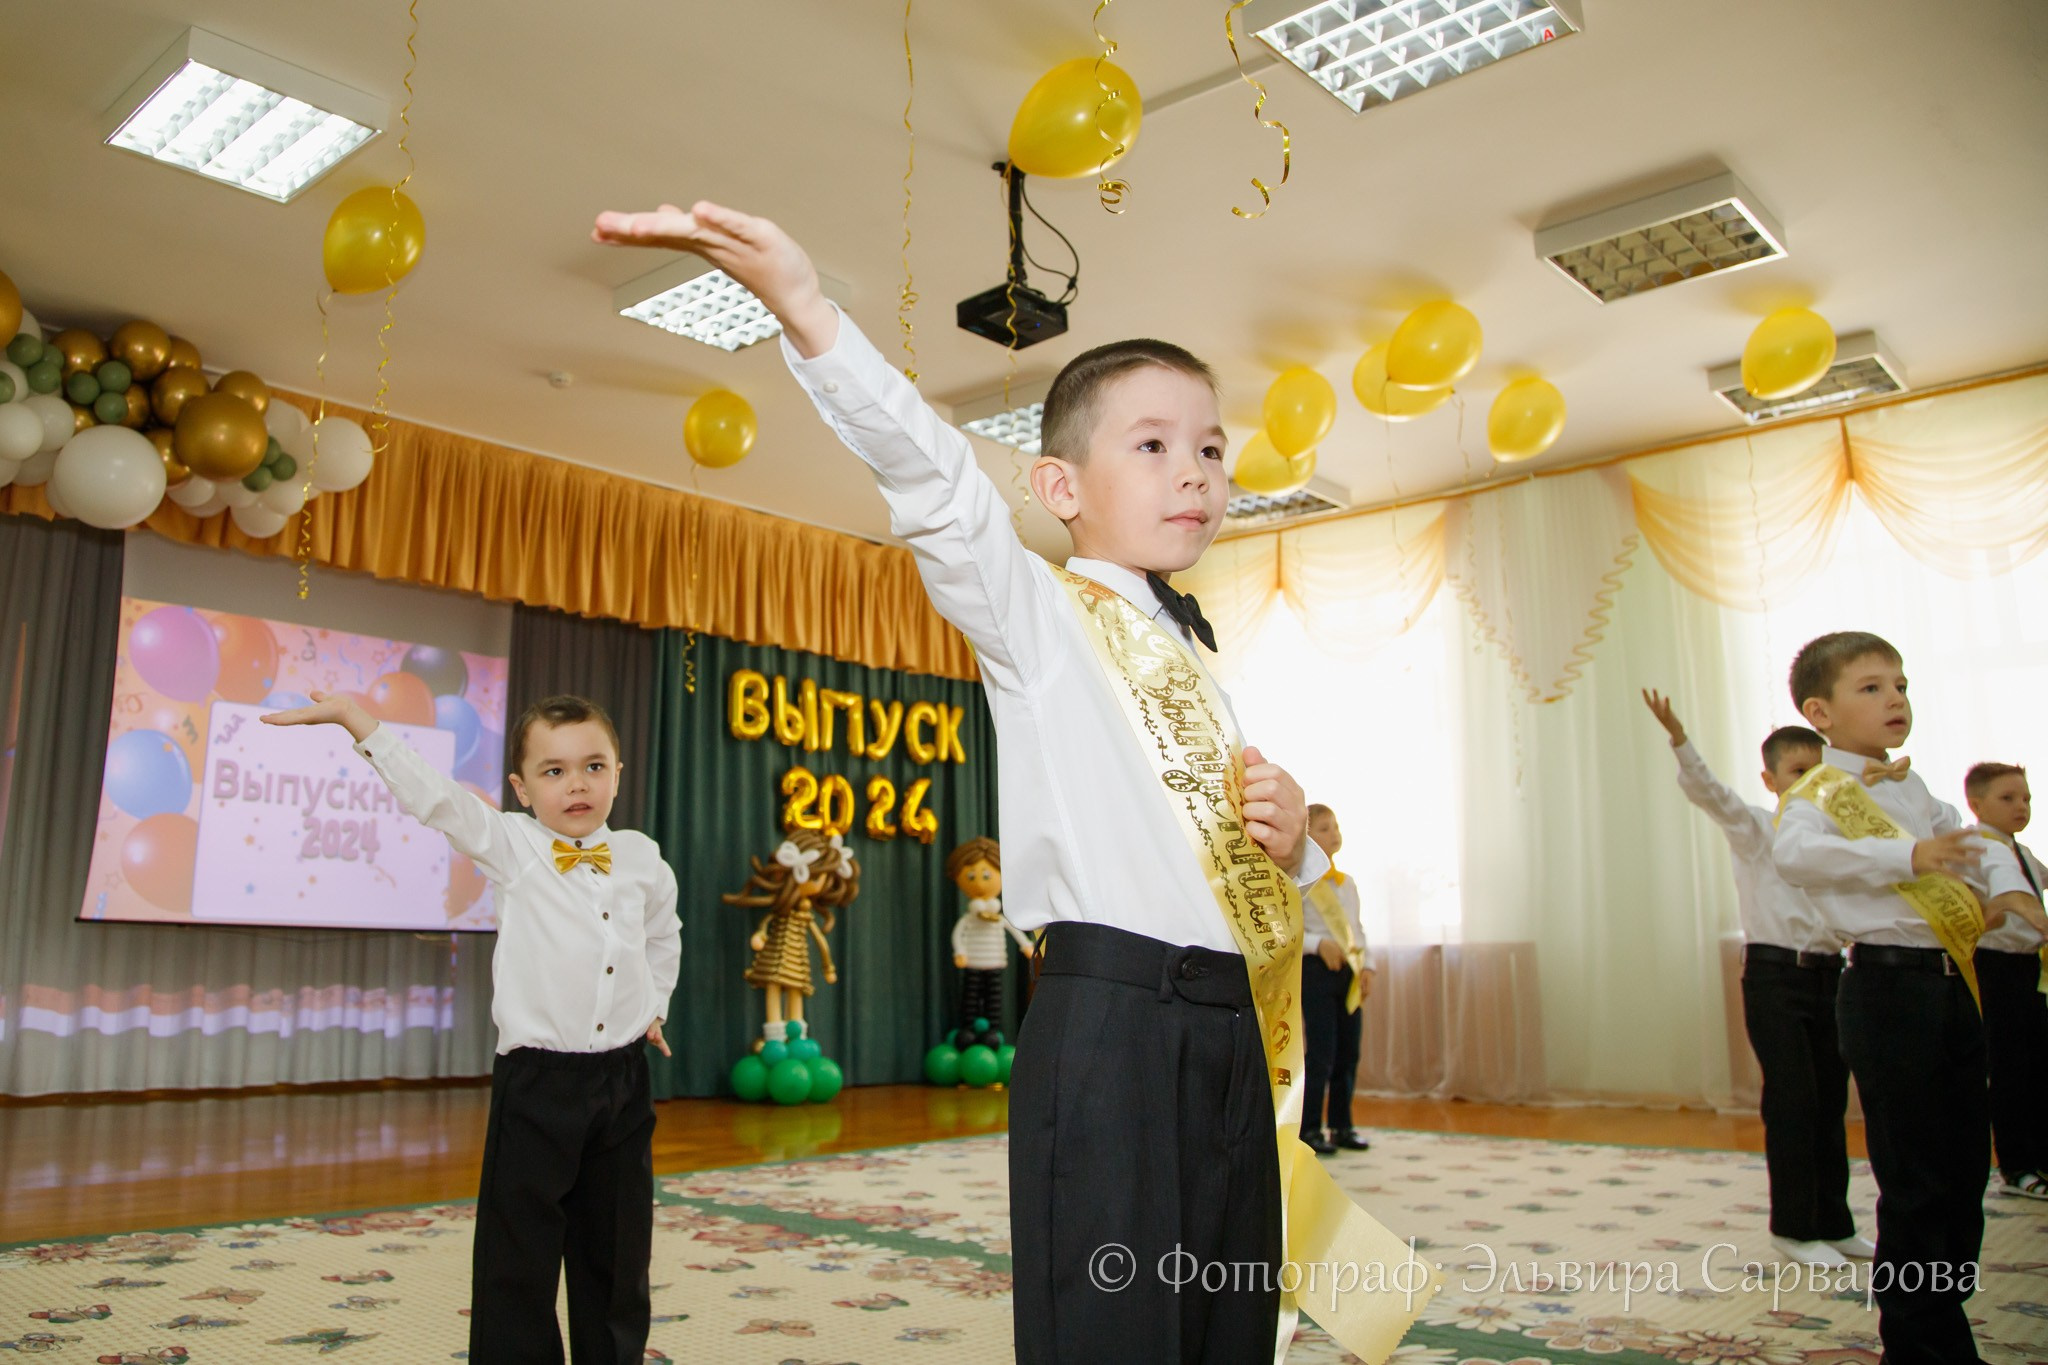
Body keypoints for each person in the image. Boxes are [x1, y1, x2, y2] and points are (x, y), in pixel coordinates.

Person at [592, 200, 1418, 1363]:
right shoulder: (1041, 620)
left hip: (1230, 1032)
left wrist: (1294, 849)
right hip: (1113, 1026)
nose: (1193, 470)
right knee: (1115, 1329)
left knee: (1228, 1318)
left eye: (1210, 447)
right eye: (1150, 443)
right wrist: (808, 308)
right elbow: (936, 482)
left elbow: (1207, 861)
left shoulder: (1199, 661)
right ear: (1059, 487)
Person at [264, 692, 680, 1365]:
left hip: (624, 1078)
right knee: (519, 1254)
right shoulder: (511, 843)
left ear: (619, 773)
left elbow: (664, 933)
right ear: (519, 787)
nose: (576, 783)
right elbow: (434, 797)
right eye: (553, 770)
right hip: (539, 1082)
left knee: (618, 1247)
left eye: (593, 765)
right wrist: (358, 722)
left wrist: (655, 1003)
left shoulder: (641, 857)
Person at [1771, 632, 2035, 1365]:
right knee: (1914, 1177)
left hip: (1954, 986)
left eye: (1901, 684)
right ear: (1820, 711)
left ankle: (1942, 1320)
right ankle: (1920, 1345)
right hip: (1887, 991)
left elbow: (1973, 841)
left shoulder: (1914, 789)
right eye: (1871, 687)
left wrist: (2010, 888)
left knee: (1962, 1173)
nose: (1895, 698)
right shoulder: (1818, 794)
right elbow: (1794, 855)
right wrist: (1906, 854)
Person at [1641, 690, 1868, 1266]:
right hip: (1774, 978)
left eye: (1818, 771)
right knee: (1792, 1100)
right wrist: (1678, 737)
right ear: (1771, 781)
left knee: (1827, 1103)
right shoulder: (1755, 830)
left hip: (1831, 979)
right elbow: (1709, 793)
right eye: (1796, 772)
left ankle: (1834, 1223)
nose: (1810, 781)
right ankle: (1792, 1230)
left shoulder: (1839, 840)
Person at [1962, 762, 2048, 1200]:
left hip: (2031, 967)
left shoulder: (2024, 853)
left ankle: (2041, 1158)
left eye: (2027, 798)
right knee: (2009, 1066)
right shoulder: (1975, 850)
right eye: (2008, 798)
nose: (2021, 807)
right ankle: (2015, 1166)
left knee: (2039, 1063)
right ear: (1976, 805)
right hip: (1994, 965)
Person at [1300, 803, 1371, 1156]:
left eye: (1336, 826)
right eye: (1324, 828)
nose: (1334, 834)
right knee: (1321, 1056)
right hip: (1315, 973)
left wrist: (1367, 966)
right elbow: (1288, 933)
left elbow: (1356, 930)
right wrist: (1318, 944)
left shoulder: (1348, 884)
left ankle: (1342, 1126)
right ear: (1306, 835)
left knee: (1348, 1054)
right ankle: (1309, 1129)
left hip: (1348, 976)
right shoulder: (1299, 882)